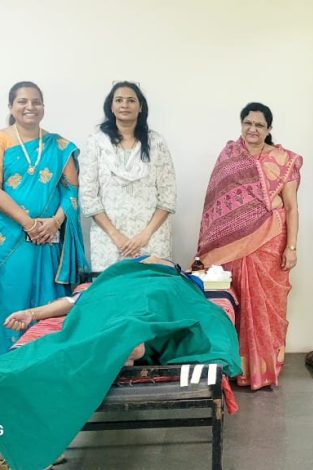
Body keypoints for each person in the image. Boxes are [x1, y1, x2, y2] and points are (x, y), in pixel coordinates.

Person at [0, 257, 241, 470]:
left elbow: (191, 304)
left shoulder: (175, 278)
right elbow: (75, 301)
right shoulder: (114, 276)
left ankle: (127, 336)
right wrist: (32, 313)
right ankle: (128, 338)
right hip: (114, 297)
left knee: (152, 300)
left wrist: (176, 277)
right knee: (108, 314)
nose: (153, 258)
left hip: (158, 292)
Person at [197, 102, 302, 390]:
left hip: (270, 243)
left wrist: (291, 247)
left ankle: (263, 371)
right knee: (235, 302)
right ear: (241, 124)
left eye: (259, 125)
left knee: (266, 305)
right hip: (231, 246)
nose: (252, 129)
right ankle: (234, 368)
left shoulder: (283, 160)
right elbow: (215, 203)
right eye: (248, 123)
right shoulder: (229, 156)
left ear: (269, 129)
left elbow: (291, 207)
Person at [0, 81, 89, 352]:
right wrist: (28, 224)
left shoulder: (59, 146)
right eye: (22, 101)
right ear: (10, 107)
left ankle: (45, 362)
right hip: (11, 238)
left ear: (43, 107)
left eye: (36, 101)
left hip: (49, 240)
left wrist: (54, 223)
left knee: (48, 303)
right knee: (10, 297)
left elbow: (72, 190)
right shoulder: (2, 141)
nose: (30, 107)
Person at [79, 81, 176, 271]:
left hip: (151, 238)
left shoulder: (156, 142)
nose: (125, 105)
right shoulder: (96, 142)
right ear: (111, 107)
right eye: (119, 100)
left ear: (140, 107)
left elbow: (168, 195)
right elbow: (88, 196)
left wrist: (145, 235)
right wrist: (117, 237)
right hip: (109, 240)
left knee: (151, 287)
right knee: (113, 288)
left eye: (131, 100)